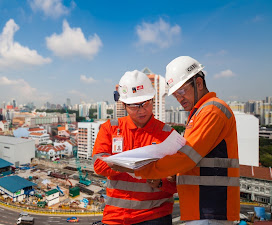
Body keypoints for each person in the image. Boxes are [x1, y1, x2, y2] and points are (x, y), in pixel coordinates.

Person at [113, 56, 240, 224]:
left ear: (199, 83)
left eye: (181, 92)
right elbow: (195, 160)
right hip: (201, 207)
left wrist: (141, 170)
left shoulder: (212, 110)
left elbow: (186, 158)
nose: (180, 99)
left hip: (211, 207)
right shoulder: (199, 113)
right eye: (175, 95)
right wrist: (174, 174)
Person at [92, 70, 177, 225]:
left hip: (155, 216)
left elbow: (178, 180)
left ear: (153, 100)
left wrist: (160, 182)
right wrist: (131, 168)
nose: (141, 110)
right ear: (124, 105)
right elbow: (98, 165)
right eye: (134, 106)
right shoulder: (110, 128)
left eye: (146, 104)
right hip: (116, 216)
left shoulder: (168, 135)